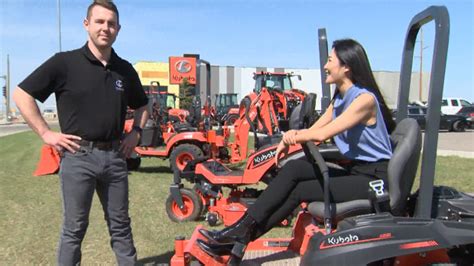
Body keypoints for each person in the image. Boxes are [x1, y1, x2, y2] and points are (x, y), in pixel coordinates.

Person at [197, 38, 396, 257]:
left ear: (346, 66)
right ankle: (239, 234)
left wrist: (291, 137)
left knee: (300, 190)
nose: (325, 66)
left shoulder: (363, 100)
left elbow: (322, 134)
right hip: (355, 170)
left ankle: (238, 235)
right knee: (293, 170)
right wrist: (291, 138)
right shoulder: (340, 98)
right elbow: (316, 130)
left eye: (330, 61)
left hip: (373, 179)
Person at [13, 1, 149, 265]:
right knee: (74, 229)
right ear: (87, 24)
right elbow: (22, 94)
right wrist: (45, 133)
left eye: (111, 23)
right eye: (99, 22)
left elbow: (143, 104)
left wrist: (137, 132)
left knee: (121, 227)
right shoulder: (64, 63)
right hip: (78, 158)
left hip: (115, 157)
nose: (105, 28)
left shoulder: (124, 69)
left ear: (118, 29)